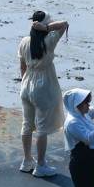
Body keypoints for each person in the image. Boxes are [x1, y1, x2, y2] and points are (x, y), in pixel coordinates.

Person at [18, 10, 68, 177]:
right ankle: (40, 165)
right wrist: (46, 28)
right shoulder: (49, 41)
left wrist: (24, 83)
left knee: (27, 124)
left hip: (26, 83)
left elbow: (22, 66)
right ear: (43, 25)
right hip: (42, 85)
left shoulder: (24, 41)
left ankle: (26, 161)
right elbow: (64, 24)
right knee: (41, 128)